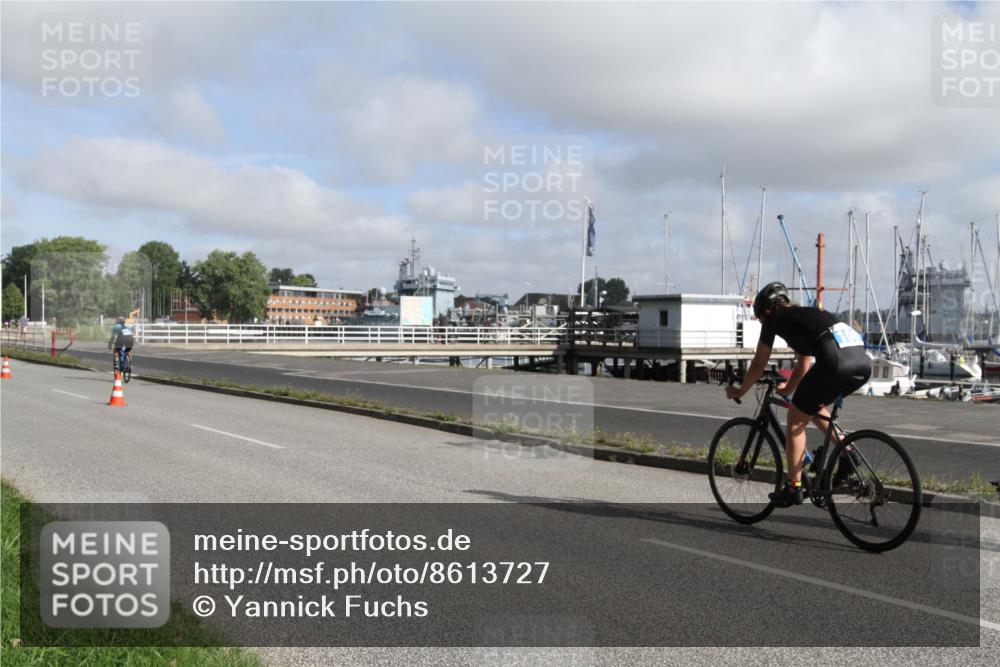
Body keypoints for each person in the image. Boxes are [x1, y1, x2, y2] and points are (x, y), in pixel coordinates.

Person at [725, 282, 871, 507]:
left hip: (836, 363)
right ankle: (848, 454)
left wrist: (740, 390)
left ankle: (794, 487)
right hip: (861, 363)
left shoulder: (774, 317)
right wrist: (788, 389)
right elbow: (803, 363)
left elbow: (758, 364)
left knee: (794, 421)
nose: (764, 323)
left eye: (762, 319)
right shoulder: (805, 316)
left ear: (766, 311)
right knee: (812, 407)